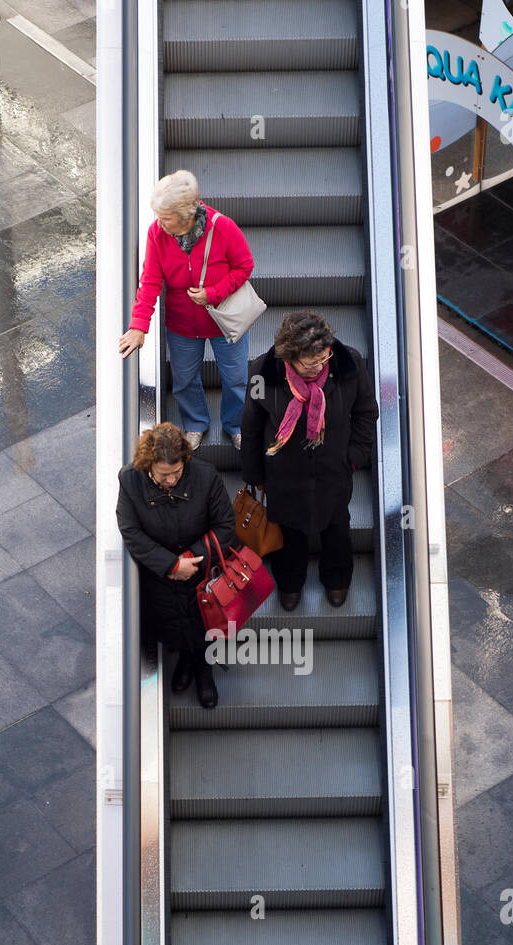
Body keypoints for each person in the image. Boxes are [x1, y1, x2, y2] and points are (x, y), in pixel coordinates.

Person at [240, 310, 379, 610]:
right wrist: (254, 473)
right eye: (309, 362)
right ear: (289, 357)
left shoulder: (349, 363)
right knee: (288, 530)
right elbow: (251, 425)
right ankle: (290, 583)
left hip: (333, 471)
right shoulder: (261, 373)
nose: (318, 366)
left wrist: (353, 458)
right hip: (284, 475)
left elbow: (366, 412)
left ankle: (337, 579)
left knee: (337, 528)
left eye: (322, 358)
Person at [119, 169, 254, 452]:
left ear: (186, 215)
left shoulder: (224, 228)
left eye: (166, 217)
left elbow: (245, 266)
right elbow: (151, 280)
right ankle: (195, 424)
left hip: (225, 322)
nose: (160, 222)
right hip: (182, 325)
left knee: (237, 378)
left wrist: (213, 294)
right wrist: (138, 324)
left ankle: (237, 426)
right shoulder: (158, 233)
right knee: (184, 379)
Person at [116, 422, 235, 708]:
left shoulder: (205, 476)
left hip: (203, 573)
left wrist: (189, 560)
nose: (171, 481)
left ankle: (203, 670)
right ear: (148, 466)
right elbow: (130, 530)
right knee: (172, 625)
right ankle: (185, 660)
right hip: (161, 579)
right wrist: (170, 565)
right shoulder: (130, 480)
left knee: (203, 623)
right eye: (163, 475)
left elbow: (225, 525)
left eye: (177, 473)